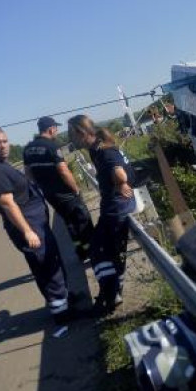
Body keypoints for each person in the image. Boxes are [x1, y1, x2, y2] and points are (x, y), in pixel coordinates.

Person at [0, 126, 74, 331]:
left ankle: (65, 300)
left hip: (35, 223)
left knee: (51, 263)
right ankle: (63, 314)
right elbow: (6, 203)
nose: (3, 145)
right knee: (47, 268)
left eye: (5, 141)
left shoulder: (1, 165)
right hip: (29, 226)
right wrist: (27, 231)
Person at [67, 115, 136, 316]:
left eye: (72, 134)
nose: (70, 139)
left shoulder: (104, 151)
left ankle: (110, 294)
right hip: (114, 207)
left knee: (100, 251)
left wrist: (122, 183)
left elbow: (119, 171)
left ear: (82, 133)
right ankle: (112, 293)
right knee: (110, 252)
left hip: (116, 208)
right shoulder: (96, 148)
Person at [23, 116, 94, 262]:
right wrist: (76, 189)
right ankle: (92, 250)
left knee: (69, 222)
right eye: (56, 128)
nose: (57, 131)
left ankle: (81, 253)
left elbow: (28, 173)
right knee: (82, 220)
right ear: (50, 129)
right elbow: (63, 170)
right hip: (65, 193)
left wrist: (42, 186)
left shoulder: (28, 149)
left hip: (50, 194)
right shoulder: (51, 146)